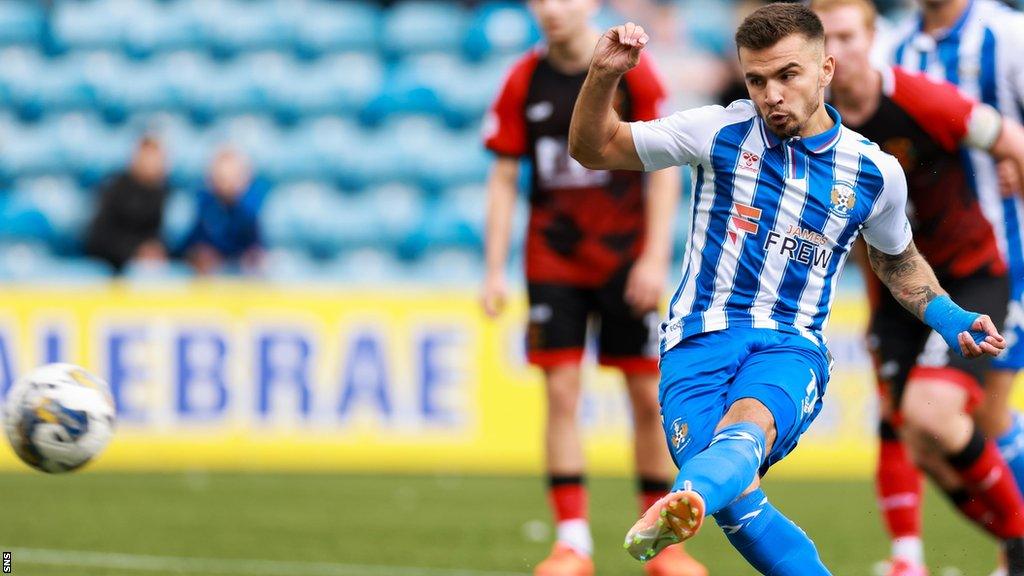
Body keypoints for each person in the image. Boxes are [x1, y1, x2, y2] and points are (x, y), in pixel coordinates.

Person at [568, 3, 1008, 575]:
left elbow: (898, 262)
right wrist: (603, 74)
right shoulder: (717, 131)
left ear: (826, 69)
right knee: (742, 507)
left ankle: (690, 496)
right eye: (756, 79)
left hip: (789, 344)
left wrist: (952, 319)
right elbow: (593, 148)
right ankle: (702, 494)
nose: (771, 94)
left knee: (747, 425)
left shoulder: (874, 172)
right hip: (695, 346)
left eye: (787, 75)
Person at [480, 1, 706, 575]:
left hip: (624, 259)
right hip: (552, 260)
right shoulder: (522, 81)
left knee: (645, 399)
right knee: (560, 393)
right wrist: (492, 268)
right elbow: (505, 176)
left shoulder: (632, 70)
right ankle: (572, 543)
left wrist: (655, 257)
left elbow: (665, 168)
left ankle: (665, 547)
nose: (553, 8)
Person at [814, 1, 1024, 574]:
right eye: (824, 39)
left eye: (849, 36)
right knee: (912, 434)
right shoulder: (818, 126)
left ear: (874, 37)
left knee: (938, 417)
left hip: (971, 276)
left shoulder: (924, 98)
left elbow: (1011, 140)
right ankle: (909, 557)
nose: (838, 51)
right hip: (896, 290)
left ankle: (1019, 542)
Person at [84, 136, 169, 272]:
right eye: (147, 157)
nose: (152, 164)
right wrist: (136, 251)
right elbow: (99, 237)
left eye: (156, 158)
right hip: (112, 264)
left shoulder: (163, 192)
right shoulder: (115, 188)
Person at [180, 148, 267, 275]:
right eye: (222, 177)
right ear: (210, 178)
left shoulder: (252, 208)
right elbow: (186, 246)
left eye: (234, 176)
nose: (228, 184)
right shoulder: (200, 204)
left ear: (246, 178)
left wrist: (251, 257)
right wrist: (197, 254)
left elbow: (256, 248)